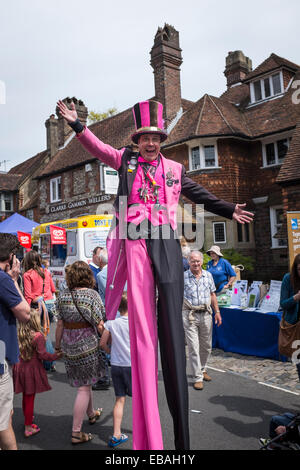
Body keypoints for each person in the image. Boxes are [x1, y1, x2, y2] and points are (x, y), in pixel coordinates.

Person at [57, 98, 253, 450]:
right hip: (134, 237)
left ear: (162, 139)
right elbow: (99, 148)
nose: (151, 142)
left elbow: (199, 195)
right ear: (137, 139)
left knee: (172, 324)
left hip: (164, 238)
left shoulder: (174, 170)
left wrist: (227, 209)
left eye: (156, 137)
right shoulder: (125, 160)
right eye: (145, 137)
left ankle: (176, 368)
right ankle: (146, 358)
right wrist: (77, 125)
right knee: (144, 317)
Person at [54, 261, 106, 445]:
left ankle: (91, 414)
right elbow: (100, 324)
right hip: (88, 346)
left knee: (85, 383)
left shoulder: (63, 295)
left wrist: (58, 345)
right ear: (87, 276)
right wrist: (110, 344)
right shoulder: (92, 295)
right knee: (84, 387)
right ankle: (76, 432)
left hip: (69, 345)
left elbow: (59, 323)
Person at [0, 233, 30, 450]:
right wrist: (13, 279)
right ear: (10, 257)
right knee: (3, 421)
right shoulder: (3, 279)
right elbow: (25, 313)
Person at [13, 308, 61, 437]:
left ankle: (27, 419)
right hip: (31, 370)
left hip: (19, 368)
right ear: (35, 321)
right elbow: (43, 355)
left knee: (25, 396)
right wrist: (55, 356)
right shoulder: (38, 336)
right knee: (30, 398)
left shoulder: (19, 333)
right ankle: (28, 427)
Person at [182, 250, 222, 390]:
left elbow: (213, 294)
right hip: (189, 315)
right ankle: (197, 377)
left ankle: (203, 368)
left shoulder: (208, 275)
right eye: (193, 261)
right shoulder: (183, 277)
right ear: (188, 262)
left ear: (202, 262)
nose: (195, 263)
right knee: (193, 346)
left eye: (198, 261)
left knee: (206, 345)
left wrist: (217, 312)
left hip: (206, 314)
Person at [100, 292, 131, 448]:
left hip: (117, 365)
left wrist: (111, 352)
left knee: (120, 399)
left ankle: (116, 433)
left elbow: (103, 344)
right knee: (140, 400)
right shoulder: (135, 322)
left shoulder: (111, 323)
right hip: (132, 366)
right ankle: (143, 432)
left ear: (118, 308)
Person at [23, 250, 57, 371]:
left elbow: (28, 296)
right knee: (44, 333)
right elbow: (53, 289)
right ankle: (49, 362)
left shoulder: (27, 275)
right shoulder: (46, 272)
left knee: (40, 334)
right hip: (49, 304)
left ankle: (48, 362)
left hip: (37, 306)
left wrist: (26, 312)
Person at [280, 253, 300, 381]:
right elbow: (283, 304)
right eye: (299, 269)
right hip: (294, 328)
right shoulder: (288, 279)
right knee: (298, 363)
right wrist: (295, 298)